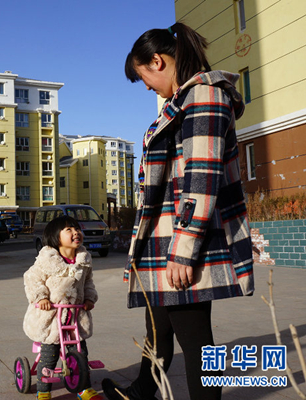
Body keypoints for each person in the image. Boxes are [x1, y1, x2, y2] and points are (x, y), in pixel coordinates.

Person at [101, 22, 255, 400]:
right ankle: (141, 390)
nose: (149, 88)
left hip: (182, 241)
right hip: (166, 239)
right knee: (159, 324)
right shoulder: (184, 101)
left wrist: (184, 249)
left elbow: (201, 178)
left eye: (144, 79)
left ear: (157, 61)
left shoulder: (202, 96)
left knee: (199, 345)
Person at [23, 216, 103, 400]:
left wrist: (90, 298)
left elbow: (88, 282)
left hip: (75, 315)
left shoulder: (83, 260)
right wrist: (41, 297)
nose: (76, 233)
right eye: (69, 230)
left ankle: (83, 388)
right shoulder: (47, 260)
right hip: (51, 316)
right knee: (49, 355)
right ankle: (43, 390)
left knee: (80, 353)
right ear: (55, 237)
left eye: (77, 229)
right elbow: (32, 279)